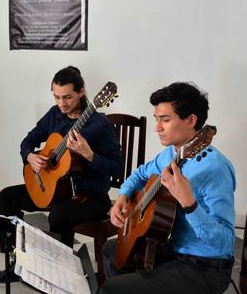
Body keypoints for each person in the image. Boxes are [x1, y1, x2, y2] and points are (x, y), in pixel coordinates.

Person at [0, 66, 122, 283]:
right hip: (56, 189)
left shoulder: (100, 125)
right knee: (6, 198)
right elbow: (27, 141)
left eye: (67, 97)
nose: (62, 103)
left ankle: (62, 274)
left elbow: (117, 168)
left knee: (59, 215)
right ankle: (17, 262)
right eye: (57, 97)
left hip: (90, 196)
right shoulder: (54, 114)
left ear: (81, 92)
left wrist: (88, 154)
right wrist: (30, 156)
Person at [99, 82, 236, 294]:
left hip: (203, 268)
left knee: (111, 289)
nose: (157, 127)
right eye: (156, 119)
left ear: (191, 120)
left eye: (165, 120)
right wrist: (124, 195)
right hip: (176, 250)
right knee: (111, 251)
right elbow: (140, 173)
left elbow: (224, 243)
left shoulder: (215, 169)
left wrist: (189, 203)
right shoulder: (173, 154)